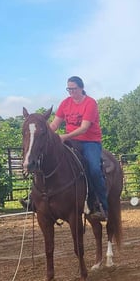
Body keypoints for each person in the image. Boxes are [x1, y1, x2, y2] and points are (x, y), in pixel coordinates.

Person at [50, 75, 109, 221]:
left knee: (94, 169)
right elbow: (54, 124)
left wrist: (64, 137)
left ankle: (102, 205)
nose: (71, 92)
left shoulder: (90, 103)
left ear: (81, 88)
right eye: (68, 89)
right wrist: (44, 134)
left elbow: (84, 128)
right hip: (71, 141)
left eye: (74, 89)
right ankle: (37, 198)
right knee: (48, 159)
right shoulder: (65, 103)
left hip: (90, 141)